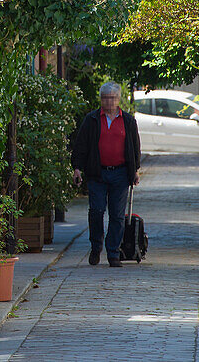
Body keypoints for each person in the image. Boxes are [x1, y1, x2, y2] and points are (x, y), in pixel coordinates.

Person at [71, 81, 141, 268]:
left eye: (112, 98)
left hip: (120, 173)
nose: (109, 102)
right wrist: (77, 168)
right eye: (105, 98)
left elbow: (135, 148)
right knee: (96, 211)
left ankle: (113, 253)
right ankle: (96, 247)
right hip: (97, 173)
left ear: (118, 100)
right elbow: (81, 146)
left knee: (117, 216)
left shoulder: (127, 121)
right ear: (101, 100)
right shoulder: (92, 120)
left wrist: (135, 170)